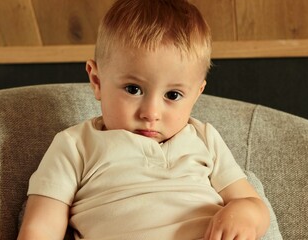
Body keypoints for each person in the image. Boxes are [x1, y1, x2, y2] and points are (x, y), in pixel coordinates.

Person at [18, 0, 270, 239]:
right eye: (133, 89)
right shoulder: (75, 145)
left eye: (173, 95)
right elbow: (41, 229)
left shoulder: (205, 139)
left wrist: (245, 214)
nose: (151, 113)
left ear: (196, 95)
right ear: (97, 81)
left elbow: (252, 204)